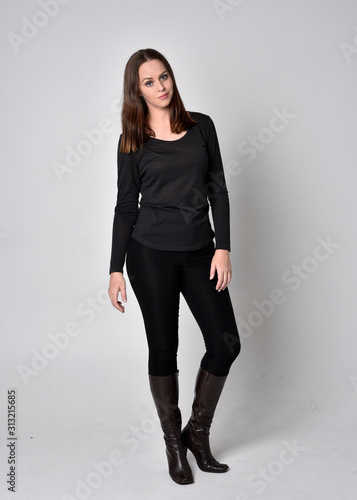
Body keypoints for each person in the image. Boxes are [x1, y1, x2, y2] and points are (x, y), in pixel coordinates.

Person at [108, 48, 241, 485]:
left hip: (201, 251)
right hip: (149, 255)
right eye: (149, 82)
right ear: (137, 90)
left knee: (226, 345)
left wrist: (223, 246)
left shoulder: (202, 126)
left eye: (164, 76)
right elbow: (126, 206)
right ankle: (173, 445)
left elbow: (217, 189)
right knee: (164, 349)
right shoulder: (133, 140)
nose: (160, 86)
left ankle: (196, 435)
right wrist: (114, 269)